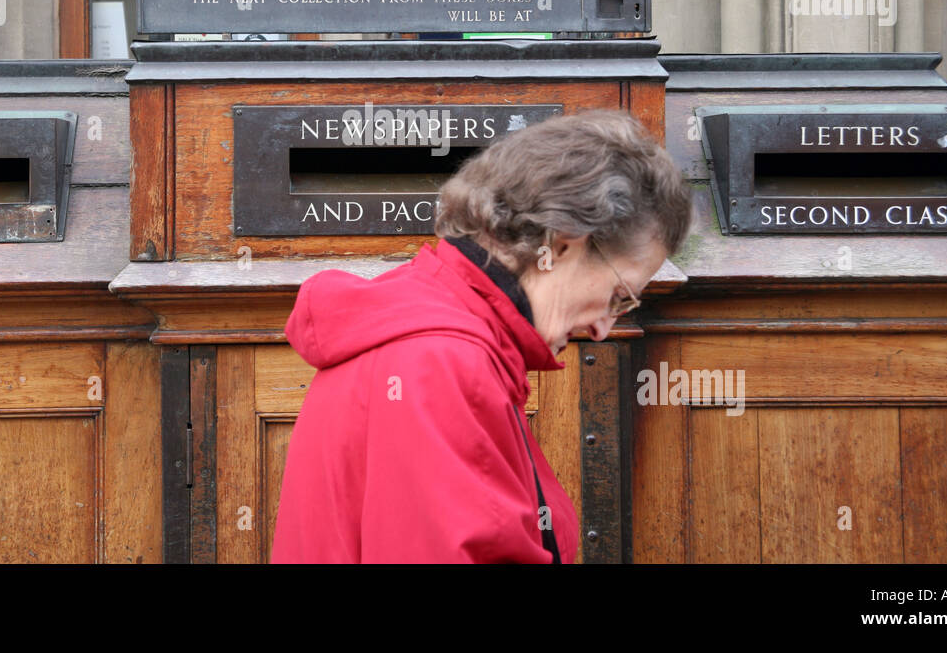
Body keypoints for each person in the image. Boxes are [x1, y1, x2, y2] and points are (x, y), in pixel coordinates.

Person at [270, 109, 694, 563]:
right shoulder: (442, 362)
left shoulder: (428, 335)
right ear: (563, 244)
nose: (604, 329)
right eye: (618, 295)